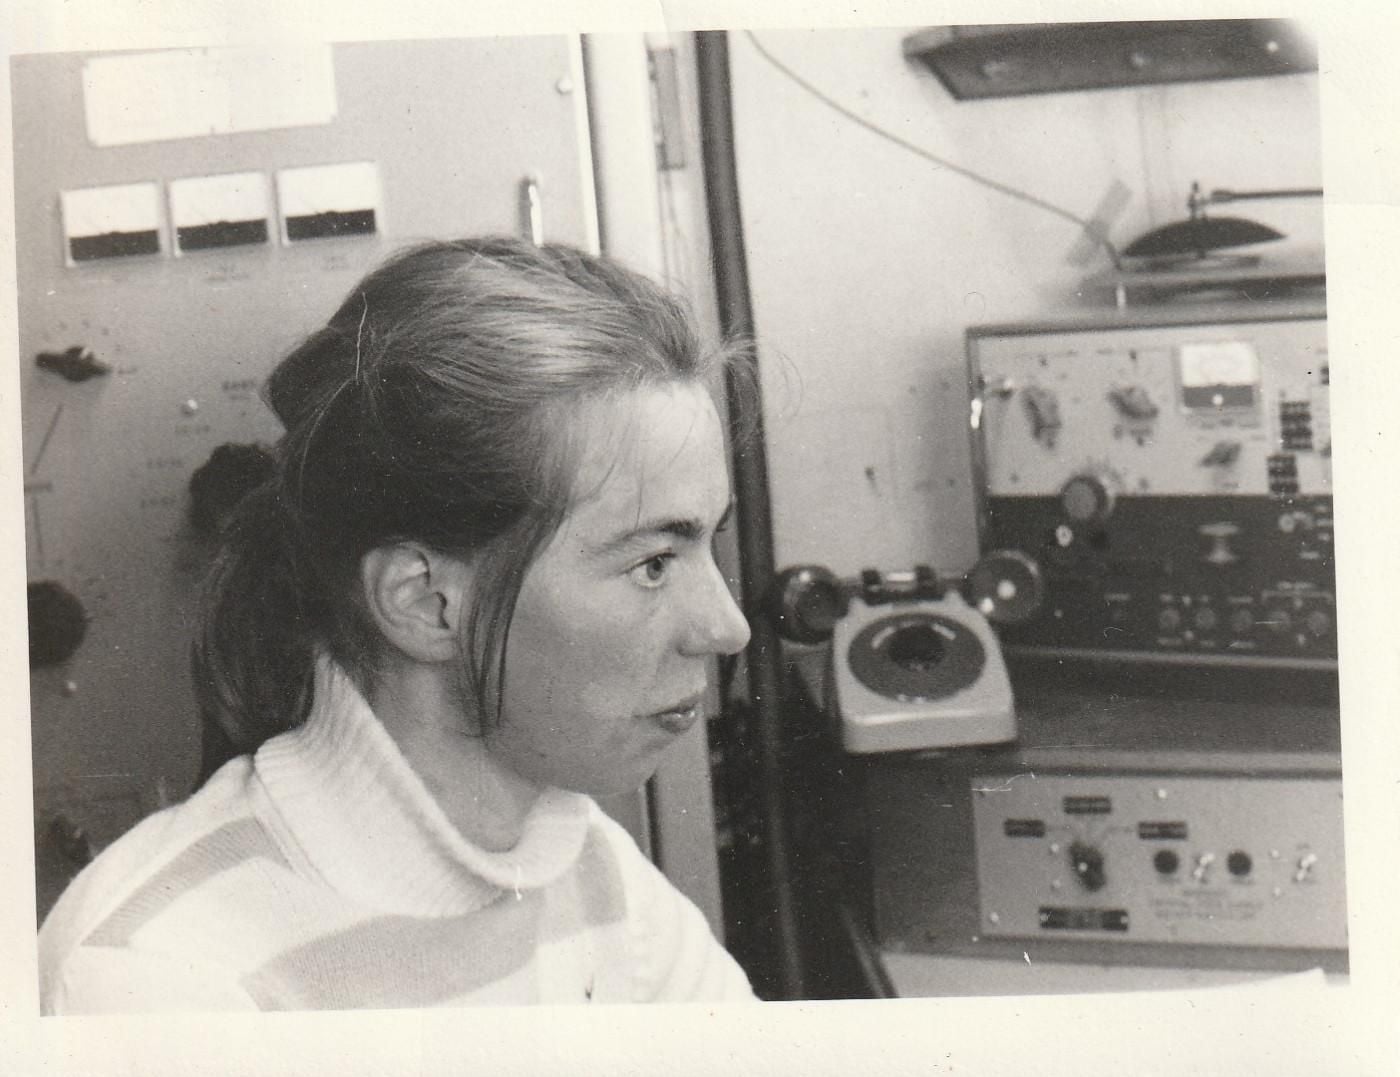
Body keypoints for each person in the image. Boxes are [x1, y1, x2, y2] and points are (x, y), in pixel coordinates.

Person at [38, 237, 757, 1011]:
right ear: (425, 601)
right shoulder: (152, 968)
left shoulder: (595, 872)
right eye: (654, 562)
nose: (729, 628)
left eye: (708, 542)